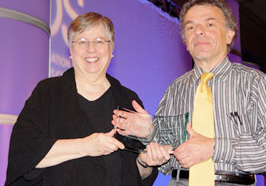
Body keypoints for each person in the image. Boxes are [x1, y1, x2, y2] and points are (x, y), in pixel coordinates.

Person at [112, 0, 266, 186]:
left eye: (209, 24)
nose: (198, 31)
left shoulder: (255, 83)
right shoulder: (175, 90)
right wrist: (149, 134)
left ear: (230, 34)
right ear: (185, 41)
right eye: (191, 27)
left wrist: (213, 147)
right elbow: (165, 159)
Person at [5, 12, 158, 186]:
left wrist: (146, 162)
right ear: (71, 50)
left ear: (111, 48)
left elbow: (137, 175)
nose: (91, 49)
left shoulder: (128, 100)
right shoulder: (47, 93)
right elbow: (24, 154)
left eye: (99, 41)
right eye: (82, 42)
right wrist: (86, 146)